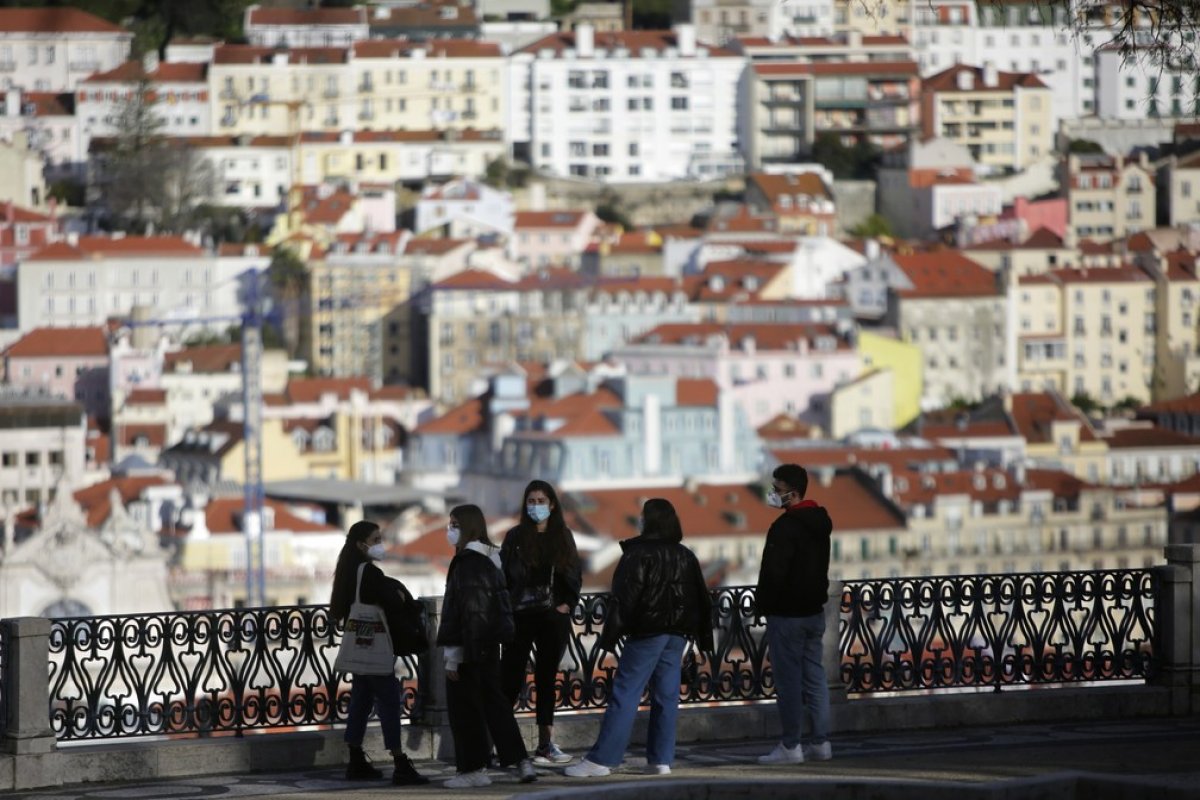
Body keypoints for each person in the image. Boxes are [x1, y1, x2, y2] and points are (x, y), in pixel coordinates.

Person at [565, 498, 713, 778]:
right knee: (666, 696)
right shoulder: (685, 555)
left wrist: (609, 638)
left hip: (648, 632)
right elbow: (701, 598)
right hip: (677, 634)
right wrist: (703, 639)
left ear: (649, 520)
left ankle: (602, 759)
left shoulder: (638, 553)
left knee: (626, 692)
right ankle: (661, 760)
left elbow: (624, 599)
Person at [437, 504, 538, 789]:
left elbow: (465, 610)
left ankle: (473, 769)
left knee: (465, 710)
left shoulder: (468, 562)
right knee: (495, 704)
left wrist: (454, 656)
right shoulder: (493, 558)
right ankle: (520, 760)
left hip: (470, 645)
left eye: (455, 524)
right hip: (490, 644)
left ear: (468, 527)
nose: (450, 530)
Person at [328, 520, 430, 786]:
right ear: (362, 545)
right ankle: (400, 762)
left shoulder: (348, 571)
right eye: (376, 540)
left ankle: (356, 759)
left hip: (358, 649)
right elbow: (392, 602)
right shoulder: (370, 573)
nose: (380, 545)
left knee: (360, 701)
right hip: (374, 650)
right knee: (389, 703)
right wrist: (402, 597)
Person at [754, 463, 834, 765]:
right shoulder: (820, 522)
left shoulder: (785, 527)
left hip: (787, 613)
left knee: (789, 682)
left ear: (794, 492)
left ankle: (791, 746)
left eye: (778, 489)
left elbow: (773, 574)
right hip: (814, 611)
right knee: (815, 678)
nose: (773, 494)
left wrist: (764, 605)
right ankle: (821, 743)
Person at [500, 479, 583, 766]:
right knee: (510, 679)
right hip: (520, 616)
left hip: (552, 617)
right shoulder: (515, 537)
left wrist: (566, 604)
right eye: (531, 501)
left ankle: (545, 744)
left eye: (541, 501)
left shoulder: (562, 536)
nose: (536, 506)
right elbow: (504, 576)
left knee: (547, 678)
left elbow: (574, 573)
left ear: (552, 505)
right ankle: (501, 744)